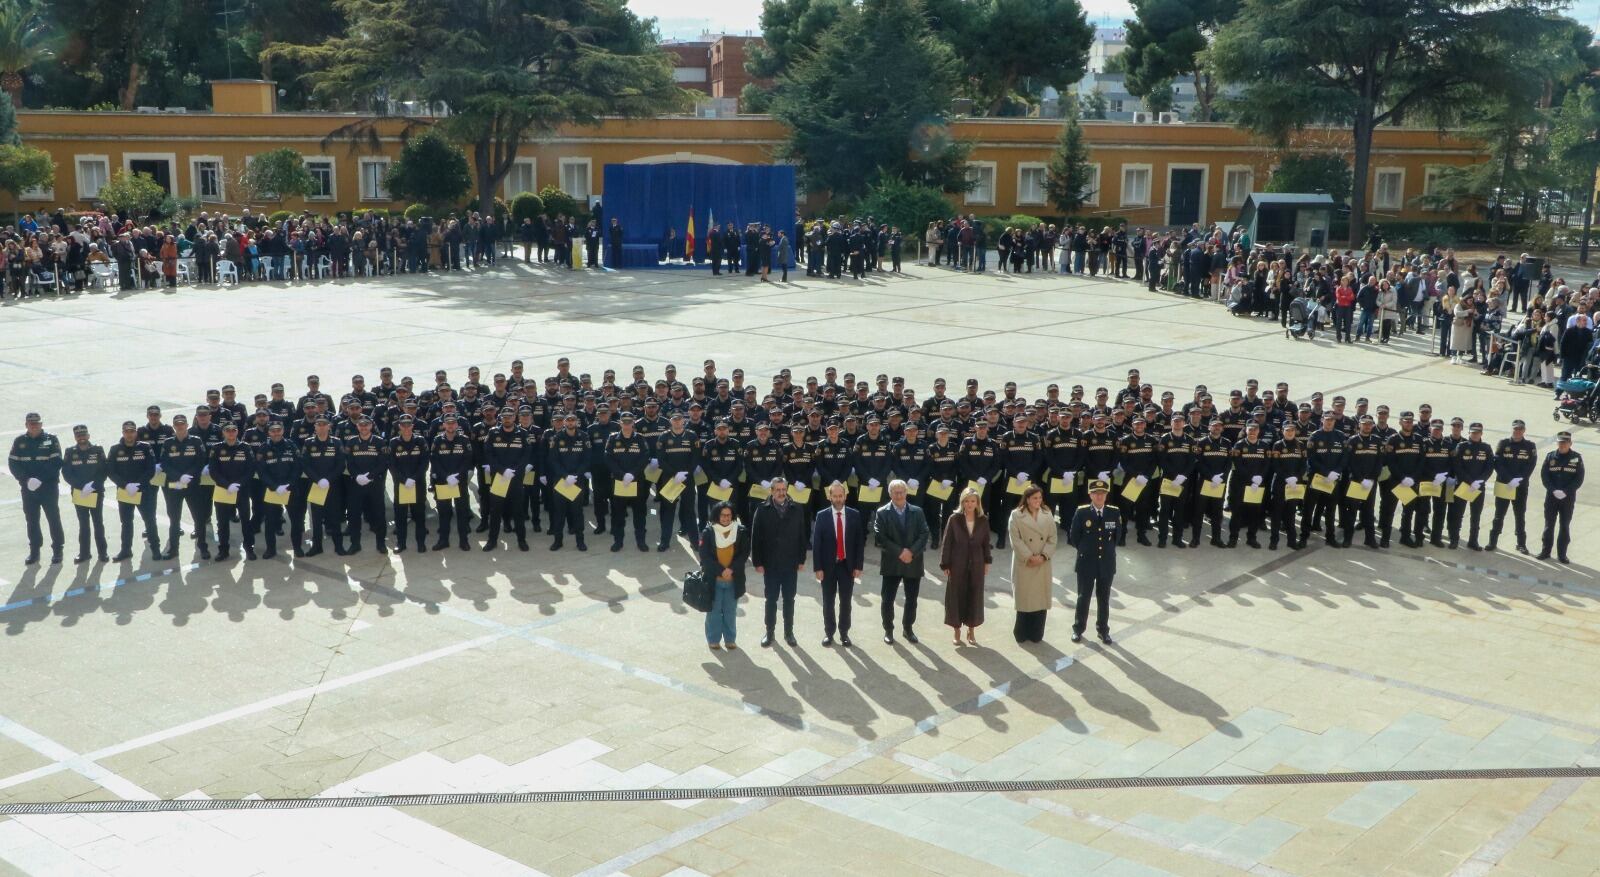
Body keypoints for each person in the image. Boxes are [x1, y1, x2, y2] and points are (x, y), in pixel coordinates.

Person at [750, 477, 809, 648]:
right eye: (778, 490)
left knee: (789, 599)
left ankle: (789, 632)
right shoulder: (762, 509)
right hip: (771, 564)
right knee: (771, 599)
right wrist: (757, 562)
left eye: (784, 490)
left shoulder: (797, 508)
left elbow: (802, 536)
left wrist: (801, 559)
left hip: (790, 564)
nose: (781, 493)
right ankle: (769, 632)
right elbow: (756, 537)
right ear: (772, 491)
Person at [874, 479, 931, 645]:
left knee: (911, 599)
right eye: (895, 492)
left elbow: (924, 534)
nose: (899, 495)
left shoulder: (917, 511)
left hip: (913, 561)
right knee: (887, 599)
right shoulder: (882, 512)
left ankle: (908, 628)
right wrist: (900, 552)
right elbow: (880, 537)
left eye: (902, 492)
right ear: (890, 493)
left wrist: (911, 552)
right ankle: (888, 630)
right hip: (892, 562)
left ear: (906, 493)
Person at [812, 481, 865, 647]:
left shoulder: (854, 515)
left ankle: (844, 633)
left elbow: (859, 543)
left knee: (846, 601)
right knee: (828, 601)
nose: (838, 499)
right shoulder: (821, 516)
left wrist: (858, 566)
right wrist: (818, 568)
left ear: (845, 496)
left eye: (840, 495)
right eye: (834, 496)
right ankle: (829, 633)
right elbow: (817, 545)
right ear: (829, 497)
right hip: (828, 567)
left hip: (847, 566)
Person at [1067, 479, 1119, 644]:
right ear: (1090, 494)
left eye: (1102, 493)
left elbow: (1117, 537)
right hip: (1086, 562)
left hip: (1106, 563)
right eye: (1096, 493)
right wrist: (1086, 550)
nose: (1099, 496)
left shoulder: (1114, 512)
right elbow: (1074, 537)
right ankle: (1078, 628)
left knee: (1104, 598)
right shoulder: (1082, 512)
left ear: (1106, 495)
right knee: (1084, 597)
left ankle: (1103, 630)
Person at [10, 412, 65, 565]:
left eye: (37, 423)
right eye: (31, 423)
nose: (34, 425)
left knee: (53, 518)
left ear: (41, 424)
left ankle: (58, 549)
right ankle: (34, 550)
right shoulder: (19, 441)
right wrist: (26, 479)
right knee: (32, 519)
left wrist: (40, 479)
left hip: (48, 487)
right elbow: (13, 463)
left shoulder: (51, 440)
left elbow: (56, 462)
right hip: (28, 489)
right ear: (26, 425)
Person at [939, 486, 991, 645]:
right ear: (962, 502)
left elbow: (986, 543)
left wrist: (987, 561)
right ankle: (956, 630)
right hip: (957, 563)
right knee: (956, 596)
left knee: (974, 596)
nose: (969, 504)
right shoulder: (954, 519)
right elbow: (947, 543)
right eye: (966, 501)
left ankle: (972, 629)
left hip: (976, 563)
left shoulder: (983, 520)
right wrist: (945, 564)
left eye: (972, 501)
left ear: (977, 503)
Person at [1008, 484, 1057, 644]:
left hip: (1042, 563)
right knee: (1025, 598)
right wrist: (1029, 557)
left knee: (1039, 599)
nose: (1038, 501)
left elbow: (1053, 538)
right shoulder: (1016, 515)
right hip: (1025, 563)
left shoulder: (1048, 514)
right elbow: (1015, 540)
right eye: (1034, 498)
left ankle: (1037, 632)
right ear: (1027, 499)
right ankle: (1021, 631)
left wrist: (1043, 556)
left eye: (1040, 498)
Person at [698, 501, 749, 650]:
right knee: (713, 612)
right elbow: (705, 557)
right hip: (714, 580)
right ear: (717, 516)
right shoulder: (709, 532)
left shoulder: (740, 531)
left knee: (730, 611)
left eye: (728, 515)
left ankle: (730, 639)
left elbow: (744, 554)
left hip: (734, 579)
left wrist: (731, 569)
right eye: (723, 515)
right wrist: (722, 571)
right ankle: (713, 639)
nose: (726, 518)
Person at [61, 424, 109, 564]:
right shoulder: (70, 452)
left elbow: (104, 470)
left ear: (88, 436)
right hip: (79, 493)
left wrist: (93, 485)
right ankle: (84, 553)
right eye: (78, 435)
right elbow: (66, 473)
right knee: (83, 524)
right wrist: (81, 486)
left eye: (83, 435)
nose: (81, 438)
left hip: (96, 492)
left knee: (98, 523)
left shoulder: (97, 450)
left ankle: (103, 552)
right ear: (75, 437)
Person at [1486, 419, 1536, 554]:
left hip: (1520, 486)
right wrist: (1509, 479)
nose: (1517, 431)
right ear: (1512, 429)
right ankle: (1492, 541)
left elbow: (1531, 465)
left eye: (1520, 429)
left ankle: (1521, 544)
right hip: (1504, 484)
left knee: (1520, 515)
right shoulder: (1503, 443)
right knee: (1499, 515)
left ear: (1524, 430)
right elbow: (1497, 463)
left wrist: (1518, 480)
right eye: (1515, 429)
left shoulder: (1530, 446)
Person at [1537, 431, 1583, 563]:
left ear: (1570, 443)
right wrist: (1553, 490)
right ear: (1557, 443)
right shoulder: (1550, 457)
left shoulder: (1577, 458)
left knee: (1564, 526)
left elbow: (1579, 479)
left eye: (1565, 442)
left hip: (1567, 499)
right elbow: (1544, 476)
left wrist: (1566, 491)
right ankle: (1545, 551)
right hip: (1551, 497)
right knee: (1548, 525)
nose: (1562, 445)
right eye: (1560, 442)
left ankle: (1562, 554)